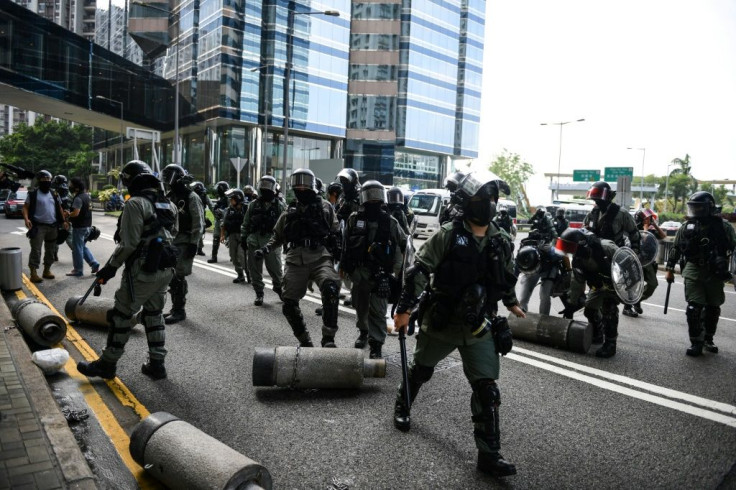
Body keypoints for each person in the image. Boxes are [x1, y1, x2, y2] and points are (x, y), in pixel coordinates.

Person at [392, 170, 523, 478]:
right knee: (421, 371)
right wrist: (404, 309)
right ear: (467, 202)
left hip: (479, 327)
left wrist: (511, 301)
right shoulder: (449, 234)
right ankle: (403, 405)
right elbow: (418, 270)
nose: (488, 204)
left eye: (492, 199)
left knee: (487, 391)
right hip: (442, 322)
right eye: (482, 199)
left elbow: (504, 277)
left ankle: (489, 455)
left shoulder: (501, 240)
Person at [77, 160, 178, 380]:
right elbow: (173, 234)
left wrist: (110, 268)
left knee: (120, 315)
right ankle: (157, 364)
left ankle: (107, 364)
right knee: (154, 314)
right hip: (166, 267)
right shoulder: (168, 204)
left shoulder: (135, 204)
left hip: (142, 270)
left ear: (132, 180)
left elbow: (129, 244)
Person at [258, 169, 342, 347]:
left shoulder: (325, 207)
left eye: (305, 186)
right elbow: (278, 236)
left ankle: (328, 337)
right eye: (298, 186)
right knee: (288, 303)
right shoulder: (290, 211)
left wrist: (341, 255)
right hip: (295, 259)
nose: (302, 189)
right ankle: (304, 340)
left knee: (331, 289)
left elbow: (336, 233)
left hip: (320, 257)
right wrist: (266, 249)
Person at [665, 192, 736, 356]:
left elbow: (732, 247)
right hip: (693, 269)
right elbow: (675, 249)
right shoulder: (687, 227)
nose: (695, 210)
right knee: (693, 308)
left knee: (713, 308)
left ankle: (708, 338)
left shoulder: (724, 227)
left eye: (699, 207)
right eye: (693, 207)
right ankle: (696, 341)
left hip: (716, 272)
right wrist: (669, 270)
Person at [342, 181, 406, 359]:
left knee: (378, 310)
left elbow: (403, 247)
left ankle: (376, 344)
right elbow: (346, 244)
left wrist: (395, 273)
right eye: (370, 196)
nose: (373, 200)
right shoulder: (354, 219)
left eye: (377, 196)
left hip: (381, 274)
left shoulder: (390, 222)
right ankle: (363, 331)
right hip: (359, 271)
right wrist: (344, 267)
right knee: (360, 306)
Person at [556, 228, 622, 358]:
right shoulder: (578, 259)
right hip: (598, 286)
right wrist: (571, 304)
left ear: (581, 245)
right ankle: (597, 334)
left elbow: (625, 261)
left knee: (609, 310)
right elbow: (577, 283)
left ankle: (610, 343)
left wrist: (625, 286)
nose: (570, 252)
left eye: (571, 248)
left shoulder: (605, 247)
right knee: (590, 310)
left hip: (614, 284)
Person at [161, 164, 205, 324]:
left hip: (185, 241)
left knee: (178, 276)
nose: (167, 181)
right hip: (172, 241)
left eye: (169, 177)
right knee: (171, 276)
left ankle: (180, 311)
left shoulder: (191, 197)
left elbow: (198, 222)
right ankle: (175, 308)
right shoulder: (170, 195)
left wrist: (194, 244)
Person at [241, 175, 285, 305]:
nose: (265, 189)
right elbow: (246, 223)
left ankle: (280, 289)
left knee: (276, 270)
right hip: (254, 241)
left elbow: (285, 224)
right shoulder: (253, 205)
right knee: (254, 270)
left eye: (268, 187)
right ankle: (259, 293)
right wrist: (243, 238)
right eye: (263, 186)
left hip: (272, 242)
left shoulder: (279, 206)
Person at [22, 170, 68, 283]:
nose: (46, 181)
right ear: (39, 180)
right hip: (38, 226)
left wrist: (63, 221)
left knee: (50, 250)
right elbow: (25, 207)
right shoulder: (33, 193)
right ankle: (33, 273)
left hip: (53, 226)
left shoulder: (54, 194)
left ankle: (47, 270)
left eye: (48, 179)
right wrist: (26, 219)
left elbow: (60, 208)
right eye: (44, 179)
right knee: (36, 250)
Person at [623, 209, 666, 317]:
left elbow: (663, 236)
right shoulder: (634, 229)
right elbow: (644, 239)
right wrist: (646, 227)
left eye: (650, 218)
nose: (649, 220)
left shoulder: (651, 230)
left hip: (648, 262)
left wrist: (654, 225)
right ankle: (627, 307)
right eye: (647, 218)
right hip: (635, 261)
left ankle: (637, 301)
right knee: (633, 285)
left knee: (652, 284)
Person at [515, 236, 566, 315]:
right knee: (522, 298)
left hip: (548, 268)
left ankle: (544, 318)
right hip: (531, 268)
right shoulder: (520, 260)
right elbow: (512, 279)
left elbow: (564, 254)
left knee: (544, 295)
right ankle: (522, 317)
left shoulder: (550, 252)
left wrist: (568, 272)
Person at [583, 181, 640, 250]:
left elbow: (634, 234)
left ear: (609, 197)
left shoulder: (621, 214)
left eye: (600, 200)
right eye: (595, 200)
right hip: (595, 253)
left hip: (614, 255)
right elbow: (584, 230)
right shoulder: (592, 213)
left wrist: (634, 251)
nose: (597, 202)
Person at [64, 177, 100, 277]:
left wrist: (68, 214)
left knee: (77, 249)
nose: (69, 187)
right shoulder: (87, 197)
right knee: (82, 247)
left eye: (71, 185)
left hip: (79, 227)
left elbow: (76, 213)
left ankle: (78, 270)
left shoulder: (78, 198)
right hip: (88, 226)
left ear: (76, 188)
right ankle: (94, 263)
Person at [220, 189, 248, 283]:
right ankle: (240, 275)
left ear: (238, 199)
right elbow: (224, 223)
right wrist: (222, 235)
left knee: (241, 255)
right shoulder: (229, 210)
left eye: (232, 199)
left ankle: (249, 274)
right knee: (233, 256)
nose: (230, 201)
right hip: (232, 235)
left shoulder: (246, 209)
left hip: (243, 236)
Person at [52, 175, 72, 262]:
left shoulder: (55, 192)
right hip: (67, 217)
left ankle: (54, 255)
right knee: (69, 238)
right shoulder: (69, 192)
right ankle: (78, 253)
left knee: (54, 239)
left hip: (58, 218)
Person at [208, 181, 230, 263]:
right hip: (218, 220)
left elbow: (230, 209)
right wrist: (216, 210)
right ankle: (214, 257)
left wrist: (223, 212)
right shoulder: (220, 198)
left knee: (230, 239)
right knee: (216, 237)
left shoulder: (228, 198)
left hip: (226, 221)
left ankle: (234, 256)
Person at [191, 181, 214, 256]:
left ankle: (199, 248)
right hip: (192, 215)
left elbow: (211, 205)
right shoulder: (191, 196)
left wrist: (216, 215)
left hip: (201, 215)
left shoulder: (204, 195)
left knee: (200, 231)